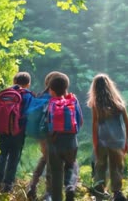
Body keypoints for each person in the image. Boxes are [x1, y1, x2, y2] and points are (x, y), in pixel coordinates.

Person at [87, 73, 128, 201]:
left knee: (100, 165)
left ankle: (99, 193)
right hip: (118, 140)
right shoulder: (119, 103)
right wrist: (125, 141)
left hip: (102, 140)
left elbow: (95, 125)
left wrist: (95, 142)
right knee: (116, 167)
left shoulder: (96, 104)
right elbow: (127, 125)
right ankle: (117, 193)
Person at [46, 72, 83, 201]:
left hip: (54, 143)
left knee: (56, 173)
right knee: (71, 166)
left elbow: (47, 124)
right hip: (71, 142)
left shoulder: (50, 103)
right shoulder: (73, 100)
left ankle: (56, 198)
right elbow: (80, 121)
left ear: (51, 90)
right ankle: (70, 187)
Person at [0, 72, 33, 192]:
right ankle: (8, 184)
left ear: (14, 81)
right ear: (28, 84)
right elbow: (28, 114)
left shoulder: (5, 93)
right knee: (14, 156)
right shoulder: (27, 95)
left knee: (3, 153)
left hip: (4, 129)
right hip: (18, 131)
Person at [26, 71, 63, 201]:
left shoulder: (40, 95)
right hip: (52, 134)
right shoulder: (55, 97)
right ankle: (48, 193)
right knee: (51, 161)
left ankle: (32, 185)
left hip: (40, 133)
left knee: (45, 158)